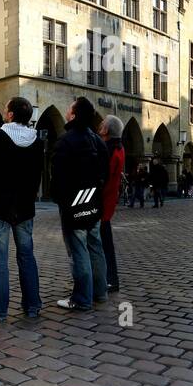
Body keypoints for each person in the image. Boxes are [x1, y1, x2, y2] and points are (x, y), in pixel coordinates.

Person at [0, 96, 47, 321]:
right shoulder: (37, 142)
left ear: (9, 115)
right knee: (27, 256)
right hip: (25, 208)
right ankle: (33, 306)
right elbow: (37, 175)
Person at [51, 100, 110, 311]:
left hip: (74, 204)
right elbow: (105, 173)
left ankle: (82, 298)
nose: (66, 110)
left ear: (74, 116)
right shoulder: (98, 141)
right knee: (95, 247)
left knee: (79, 251)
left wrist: (60, 199)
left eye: (70, 108)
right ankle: (100, 292)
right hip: (94, 202)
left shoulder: (65, 141)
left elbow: (58, 178)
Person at [96, 115, 125, 296]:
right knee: (106, 244)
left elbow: (102, 179)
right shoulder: (118, 148)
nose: (99, 126)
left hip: (102, 204)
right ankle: (109, 280)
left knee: (103, 246)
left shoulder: (108, 150)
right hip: (107, 204)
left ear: (106, 131)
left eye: (102, 124)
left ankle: (108, 281)